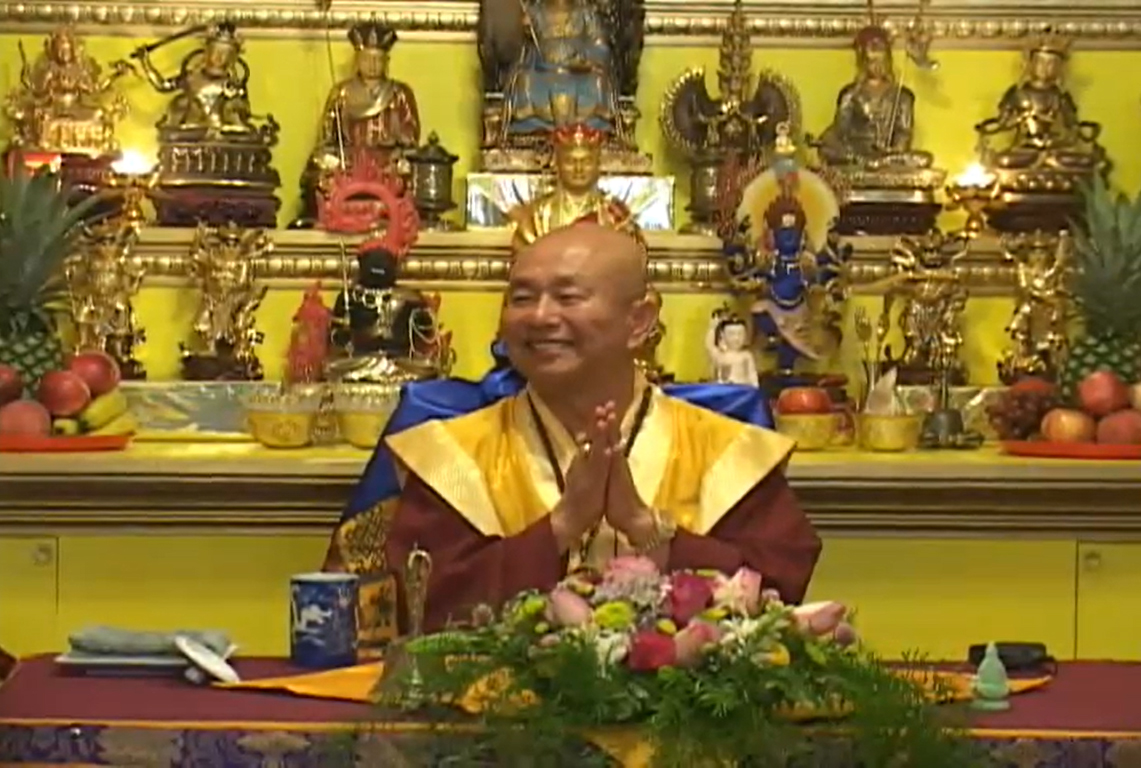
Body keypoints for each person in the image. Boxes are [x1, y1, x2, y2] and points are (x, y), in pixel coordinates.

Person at [326, 223, 821, 635]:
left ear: (639, 321)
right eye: (521, 298)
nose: (540, 317)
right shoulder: (453, 456)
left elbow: (778, 599)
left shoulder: (723, 453)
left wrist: (646, 529)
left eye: (568, 297)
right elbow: (419, 610)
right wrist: (562, 526)